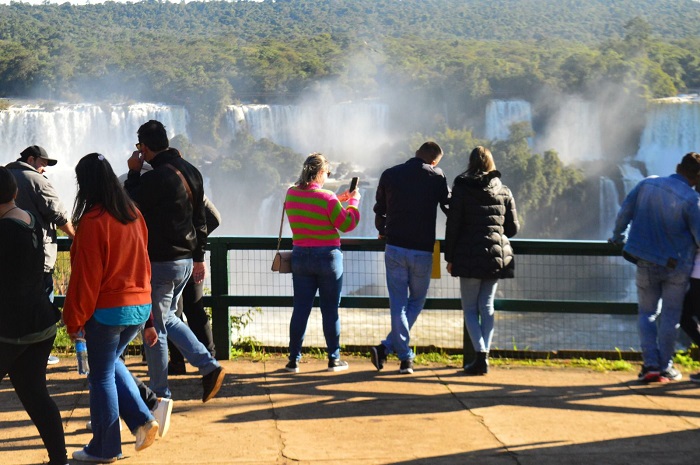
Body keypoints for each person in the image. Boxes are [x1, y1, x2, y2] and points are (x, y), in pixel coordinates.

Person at [63, 153, 159, 462]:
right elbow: (145, 265)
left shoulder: (93, 221)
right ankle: (143, 419)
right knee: (111, 364)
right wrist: (149, 320)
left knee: (100, 376)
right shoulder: (134, 215)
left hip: (107, 311)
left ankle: (105, 448)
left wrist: (74, 320)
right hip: (138, 306)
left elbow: (85, 279)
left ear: (86, 185)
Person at [124, 120, 225, 402]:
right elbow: (201, 220)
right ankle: (208, 366)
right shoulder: (191, 170)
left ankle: (161, 393)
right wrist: (199, 257)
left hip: (161, 261)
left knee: (156, 325)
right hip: (183, 262)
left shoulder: (154, 179)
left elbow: (131, 207)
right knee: (168, 316)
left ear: (144, 148)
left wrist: (133, 173)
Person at [610, 152, 700, 383]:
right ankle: (665, 367)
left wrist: (617, 236)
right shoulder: (692, 200)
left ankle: (650, 365)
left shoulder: (647, 184)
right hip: (677, 265)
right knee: (671, 316)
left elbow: (624, 214)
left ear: (678, 166)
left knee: (647, 313)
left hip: (645, 260)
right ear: (697, 177)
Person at [0, 166, 67, 465]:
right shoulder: (29, 221)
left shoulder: (3, 231)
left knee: (35, 394)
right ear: (15, 192)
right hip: (41, 324)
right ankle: (59, 459)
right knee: (36, 396)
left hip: (12, 329)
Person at [370, 141, 450, 374]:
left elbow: (379, 209)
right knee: (416, 301)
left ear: (416, 154)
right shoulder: (437, 176)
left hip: (394, 247)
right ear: (434, 161)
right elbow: (449, 206)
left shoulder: (390, 174)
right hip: (423, 250)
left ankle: (387, 349)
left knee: (398, 303)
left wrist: (383, 229)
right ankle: (404, 356)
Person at [444, 146, 519, 375]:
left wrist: (450, 256)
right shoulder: (504, 190)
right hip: (495, 258)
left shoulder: (462, 188)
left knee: (469, 308)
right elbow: (513, 228)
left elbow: (453, 225)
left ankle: (479, 355)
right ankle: (483, 355)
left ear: (470, 163)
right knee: (487, 306)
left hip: (468, 254)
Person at [283, 153, 361, 373]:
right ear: (319, 172)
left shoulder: (291, 193)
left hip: (300, 257)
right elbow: (346, 223)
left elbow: (312, 204)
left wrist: (340, 198)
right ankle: (333, 359)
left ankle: (293, 360)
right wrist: (353, 202)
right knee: (330, 311)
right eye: (327, 173)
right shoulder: (327, 197)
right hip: (327, 259)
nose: (327, 176)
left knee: (300, 310)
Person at [6, 145, 75, 365]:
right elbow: (58, 214)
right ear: (31, 159)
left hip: (7, 257)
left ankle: (14, 351)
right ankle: (40, 354)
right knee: (43, 304)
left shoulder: (6, 175)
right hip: (39, 257)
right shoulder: (37, 181)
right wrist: (77, 237)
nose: (44, 169)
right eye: (43, 164)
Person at [168, 195, 221, 374]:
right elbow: (214, 218)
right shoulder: (191, 183)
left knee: (171, 313)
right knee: (195, 310)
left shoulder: (149, 182)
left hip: (167, 259)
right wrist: (194, 242)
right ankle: (210, 358)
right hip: (191, 258)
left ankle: (177, 362)